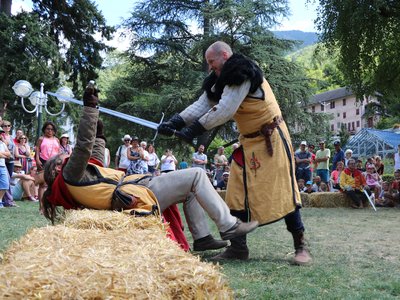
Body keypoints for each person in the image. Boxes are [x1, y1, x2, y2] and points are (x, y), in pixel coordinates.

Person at [41, 86, 258, 253]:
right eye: (62, 157)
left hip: (135, 190)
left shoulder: (75, 178)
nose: (66, 155)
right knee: (197, 174)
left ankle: (202, 238)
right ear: (58, 167)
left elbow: (94, 154)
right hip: (137, 194)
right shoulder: (69, 174)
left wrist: (99, 132)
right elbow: (83, 145)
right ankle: (229, 226)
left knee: (192, 189)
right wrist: (90, 109)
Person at [157, 41, 310, 265]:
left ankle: (301, 246)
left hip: (272, 141)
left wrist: (192, 130)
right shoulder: (221, 80)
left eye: (212, 62)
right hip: (248, 144)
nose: (210, 67)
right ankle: (238, 248)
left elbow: (225, 110)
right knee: (236, 194)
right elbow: (202, 105)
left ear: (225, 56)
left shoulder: (242, 73)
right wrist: (175, 122)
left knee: (284, 192)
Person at [35, 121, 60, 209]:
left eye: (52, 129)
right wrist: (37, 160)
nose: (50, 131)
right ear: (44, 129)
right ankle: (41, 206)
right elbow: (37, 150)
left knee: (53, 184)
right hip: (43, 161)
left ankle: (50, 204)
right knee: (43, 184)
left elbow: (59, 152)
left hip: (54, 163)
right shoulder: (41, 139)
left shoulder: (57, 140)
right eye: (48, 129)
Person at [0, 128, 11, 208]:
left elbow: (9, 154)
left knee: (5, 185)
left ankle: (0, 200)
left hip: (2, 166)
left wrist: (1, 154)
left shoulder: (2, 144)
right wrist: (4, 155)